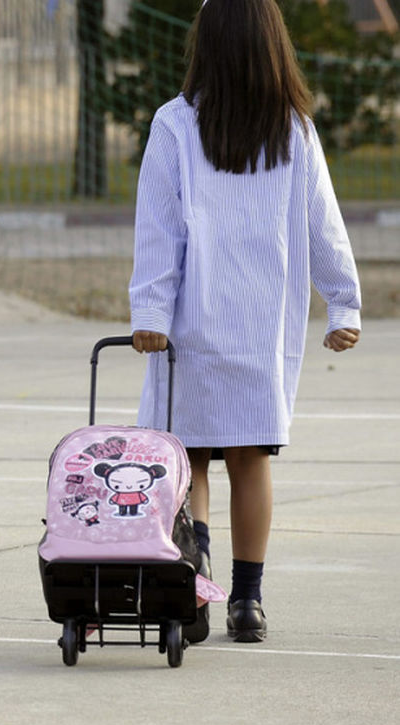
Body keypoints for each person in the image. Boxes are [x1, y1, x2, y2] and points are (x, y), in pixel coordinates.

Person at [129, 0, 361, 643]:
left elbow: (158, 231)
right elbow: (325, 226)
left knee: (191, 462)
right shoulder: (294, 129)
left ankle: (197, 579)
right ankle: (248, 603)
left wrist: (150, 312)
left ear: (204, 45)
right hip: (262, 331)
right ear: (272, 46)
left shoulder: (174, 125)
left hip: (189, 329)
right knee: (251, 461)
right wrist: (343, 302)